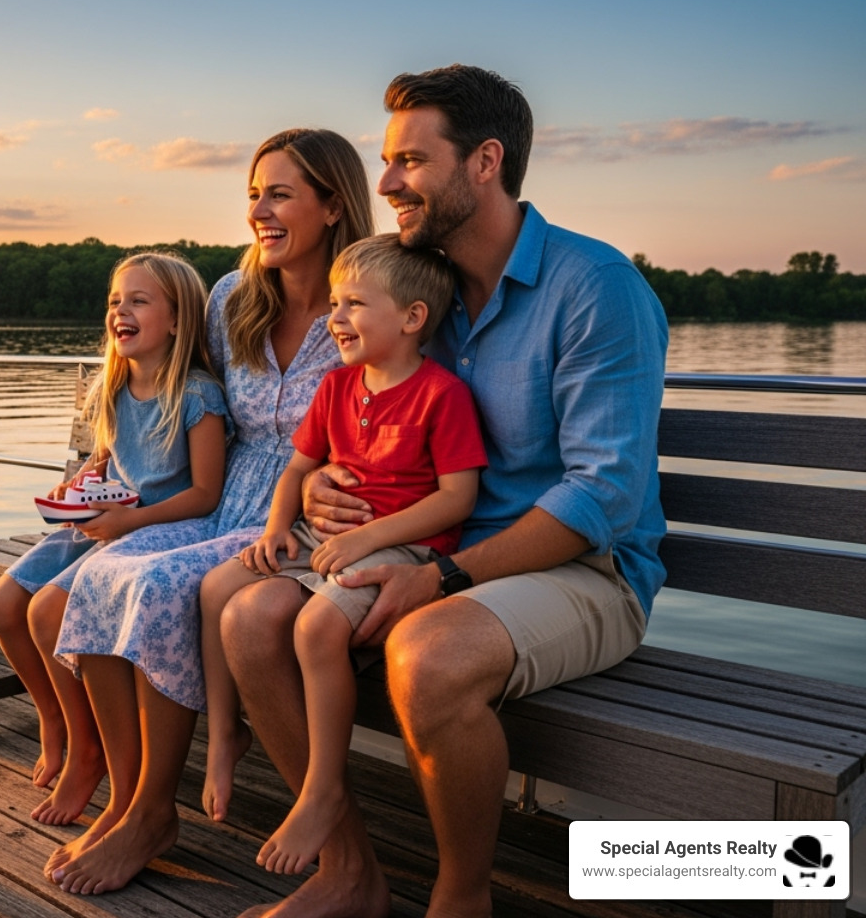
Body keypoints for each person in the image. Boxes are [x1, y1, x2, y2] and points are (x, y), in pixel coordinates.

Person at [220, 64, 668, 918]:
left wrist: (445, 575)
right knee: (248, 617)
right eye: (388, 162)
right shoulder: (423, 293)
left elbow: (603, 496)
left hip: (584, 571)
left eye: (410, 162)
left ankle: (461, 899)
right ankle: (349, 873)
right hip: (429, 551)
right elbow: (371, 434)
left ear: (485, 162)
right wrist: (323, 494)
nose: (385, 183)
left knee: (425, 657)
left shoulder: (593, 288)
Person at [35, 128, 375, 895]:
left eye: (281, 193)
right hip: (225, 503)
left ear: (332, 204)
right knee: (95, 577)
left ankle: (157, 808)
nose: (260, 209)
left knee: (158, 586)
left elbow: (393, 403)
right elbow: (190, 397)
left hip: (300, 513)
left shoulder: (365, 298)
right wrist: (115, 473)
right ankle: (129, 803)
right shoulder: (231, 297)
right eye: (254, 194)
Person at [198, 233, 487, 877]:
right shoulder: (336, 387)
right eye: (334, 303)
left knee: (317, 626)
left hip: (402, 546)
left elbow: (457, 500)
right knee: (218, 590)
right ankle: (223, 735)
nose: (335, 318)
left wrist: (370, 538)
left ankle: (324, 786)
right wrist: (277, 525)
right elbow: (300, 467)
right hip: (324, 536)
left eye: (354, 303)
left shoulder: (442, 396)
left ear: (412, 318)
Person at [0, 252, 228, 826]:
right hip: (101, 523)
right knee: (1, 605)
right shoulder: (112, 387)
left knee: (47, 613)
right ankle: (58, 720)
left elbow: (205, 495)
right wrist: (84, 482)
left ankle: (89, 753)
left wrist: (128, 523)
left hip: (158, 529)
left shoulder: (195, 396)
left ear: (176, 320)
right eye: (116, 300)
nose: (122, 310)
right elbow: (106, 458)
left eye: (139, 300)